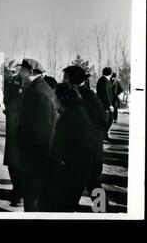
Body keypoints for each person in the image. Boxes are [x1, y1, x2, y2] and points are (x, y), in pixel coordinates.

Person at [43, 83, 98, 212]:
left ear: (62, 99)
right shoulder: (71, 113)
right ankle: (104, 211)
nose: (51, 99)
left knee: (64, 208)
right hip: (75, 171)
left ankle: (106, 213)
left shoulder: (73, 117)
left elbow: (82, 147)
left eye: (53, 95)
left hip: (73, 174)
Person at [16, 58, 57, 211]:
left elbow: (45, 129)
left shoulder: (39, 91)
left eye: (23, 70)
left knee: (33, 196)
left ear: (31, 72)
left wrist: (36, 159)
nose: (20, 73)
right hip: (33, 155)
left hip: (36, 158)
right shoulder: (36, 87)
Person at [62, 65, 106, 194]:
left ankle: (103, 210)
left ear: (73, 79)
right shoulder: (77, 92)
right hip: (84, 151)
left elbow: (101, 119)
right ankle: (102, 210)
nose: (63, 80)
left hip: (87, 151)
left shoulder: (85, 94)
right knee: (91, 183)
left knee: (92, 183)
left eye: (65, 77)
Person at [2, 59, 24, 206]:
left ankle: (20, 194)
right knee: (11, 161)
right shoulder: (8, 83)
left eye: (13, 71)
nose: (10, 74)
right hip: (11, 125)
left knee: (19, 161)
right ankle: (16, 189)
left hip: (21, 128)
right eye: (8, 71)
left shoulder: (23, 83)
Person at [96, 67, 114, 142]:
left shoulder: (102, 80)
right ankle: (103, 136)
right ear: (110, 73)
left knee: (108, 120)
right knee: (107, 120)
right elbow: (106, 94)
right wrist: (109, 105)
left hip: (102, 104)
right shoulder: (105, 81)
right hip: (104, 105)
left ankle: (104, 135)